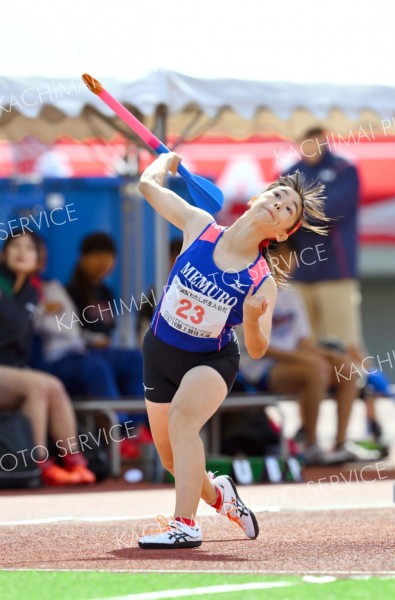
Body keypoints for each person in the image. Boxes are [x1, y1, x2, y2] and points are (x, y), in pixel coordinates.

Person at [136, 152, 327, 549]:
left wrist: (254, 319)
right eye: (276, 195)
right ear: (258, 198)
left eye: (288, 208)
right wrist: (164, 164)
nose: (278, 204)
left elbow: (257, 351)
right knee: (173, 461)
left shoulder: (262, 282)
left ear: (283, 232)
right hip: (158, 351)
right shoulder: (199, 226)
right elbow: (147, 188)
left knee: (183, 424)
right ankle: (222, 497)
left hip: (210, 360)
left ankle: (185, 525)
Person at [282, 126, 390, 439]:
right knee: (308, 352)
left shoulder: (344, 168)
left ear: (322, 137)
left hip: (336, 274)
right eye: (300, 138)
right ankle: (309, 426)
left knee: (351, 349)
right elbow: (283, 215)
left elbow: (328, 213)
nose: (307, 144)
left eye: (312, 136)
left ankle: (372, 418)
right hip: (301, 275)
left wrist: (296, 209)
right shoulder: (292, 171)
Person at [238, 240, 381, 465]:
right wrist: (307, 358)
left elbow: (304, 341)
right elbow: (257, 347)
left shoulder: (291, 295)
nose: (289, 262)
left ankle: (341, 444)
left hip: (295, 363)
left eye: (291, 256)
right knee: (314, 371)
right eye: (284, 256)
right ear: (267, 259)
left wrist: (330, 355)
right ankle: (311, 446)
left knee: (346, 368)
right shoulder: (250, 292)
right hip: (259, 368)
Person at [0, 230, 96, 486]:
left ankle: (75, 462)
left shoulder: (33, 293)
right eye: (15, 246)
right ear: (3, 253)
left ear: (39, 258)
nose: (22, 252)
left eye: (29, 248)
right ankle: (40, 463)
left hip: (12, 373)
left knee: (51, 385)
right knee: (38, 384)